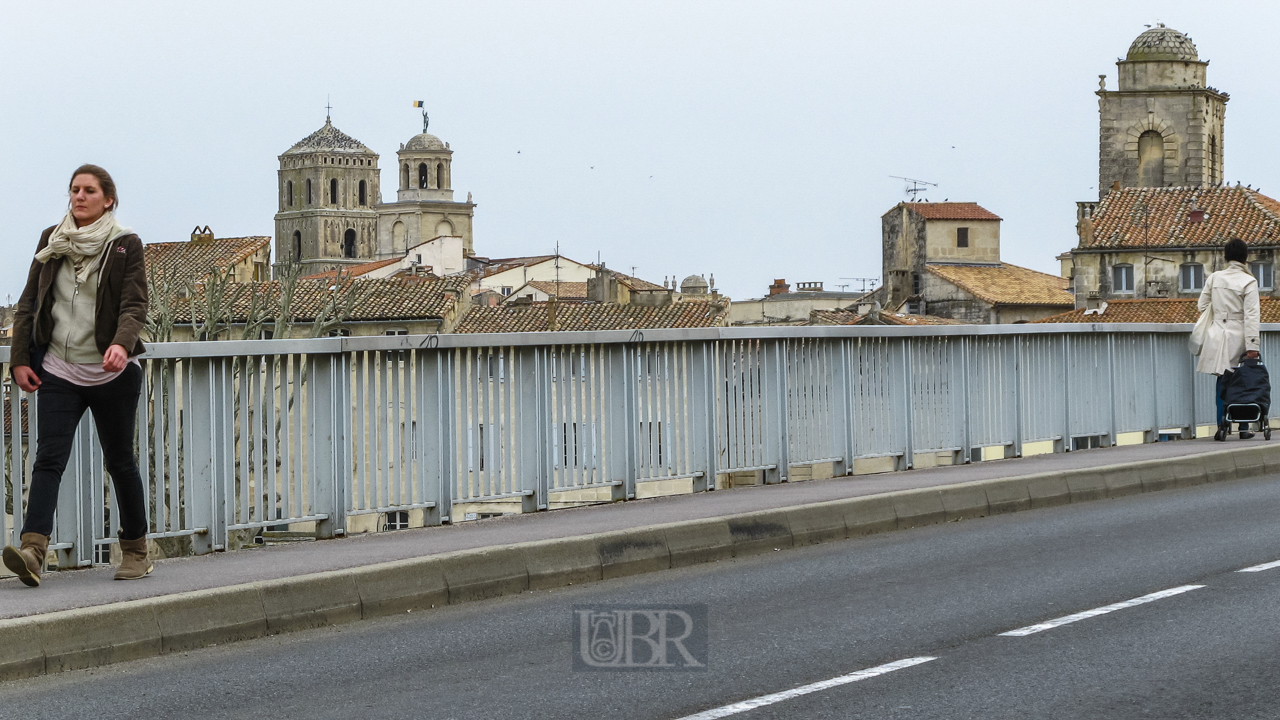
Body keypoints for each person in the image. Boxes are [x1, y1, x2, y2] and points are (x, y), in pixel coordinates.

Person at [2, 165, 151, 587]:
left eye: (88, 191)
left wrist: (122, 343)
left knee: (120, 460)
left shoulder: (125, 244)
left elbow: (134, 304)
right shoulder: (53, 241)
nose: (79, 197)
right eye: (73, 190)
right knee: (48, 458)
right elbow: (29, 302)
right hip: (59, 370)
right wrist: (20, 360)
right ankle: (33, 552)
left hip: (111, 373)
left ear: (108, 199)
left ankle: (136, 550)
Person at [1196, 237, 1261, 440]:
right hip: (1239, 334)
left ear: (1226, 256)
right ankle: (1243, 427)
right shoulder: (1249, 281)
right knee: (1243, 381)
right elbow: (1252, 315)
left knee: (1222, 381)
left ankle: (1221, 424)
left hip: (1217, 334)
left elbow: (1202, 305)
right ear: (1245, 257)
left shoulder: (1215, 278)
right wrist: (1252, 345)